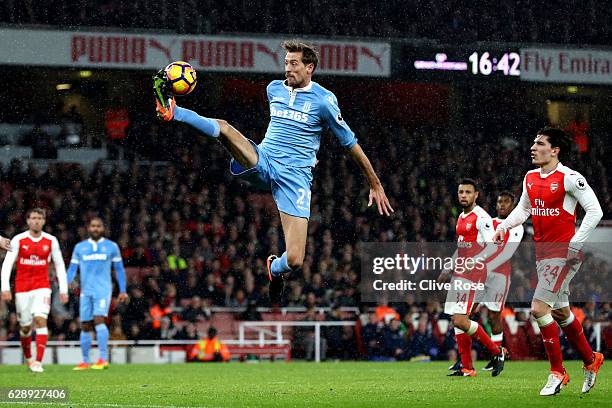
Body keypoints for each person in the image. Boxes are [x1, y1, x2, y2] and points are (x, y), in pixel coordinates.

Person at [153, 40, 393, 303]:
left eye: (293, 64)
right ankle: (175, 111)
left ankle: (274, 269)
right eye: (286, 63)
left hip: (295, 178)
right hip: (264, 160)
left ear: (309, 67)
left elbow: (350, 144)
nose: (287, 69)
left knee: (295, 259)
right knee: (224, 129)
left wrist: (375, 183)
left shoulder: (324, 101)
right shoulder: (274, 89)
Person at [493, 127, 604, 396]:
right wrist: (504, 226)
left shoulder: (569, 178)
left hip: (564, 254)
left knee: (538, 308)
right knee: (560, 312)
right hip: (543, 255)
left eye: (540, 143)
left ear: (554, 150)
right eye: (532, 143)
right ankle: (591, 360)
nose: (533, 147)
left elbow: (595, 210)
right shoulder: (530, 177)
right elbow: (523, 209)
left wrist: (576, 243)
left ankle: (557, 371)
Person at [443, 179, 507, 377]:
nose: (463, 195)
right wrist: (449, 266)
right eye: (461, 192)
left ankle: (497, 353)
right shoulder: (462, 217)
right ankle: (467, 367)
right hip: (460, 273)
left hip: (474, 274)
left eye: (468, 192)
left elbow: (494, 245)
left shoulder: (481, 217)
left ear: (476, 194)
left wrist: (476, 260)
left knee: (461, 320)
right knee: (457, 319)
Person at [1, 208, 68, 373]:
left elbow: (59, 265)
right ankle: (29, 358)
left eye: (39, 218)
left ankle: (38, 361)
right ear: (28, 221)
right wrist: (5, 287)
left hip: (42, 287)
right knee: (25, 327)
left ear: (44, 221)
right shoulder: (19, 240)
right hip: (22, 288)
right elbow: (8, 264)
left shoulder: (51, 240)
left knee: (40, 320)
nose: (36, 221)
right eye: (33, 218)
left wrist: (64, 289)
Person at [67, 218, 128, 370]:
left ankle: (103, 359)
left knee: (99, 320)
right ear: (89, 228)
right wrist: (66, 283)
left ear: (103, 228)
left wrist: (122, 290)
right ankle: (85, 361)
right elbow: (72, 268)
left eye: (98, 226)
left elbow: (119, 269)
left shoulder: (111, 246)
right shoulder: (80, 247)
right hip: (85, 291)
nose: (95, 228)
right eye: (93, 226)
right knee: (85, 325)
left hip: (102, 290)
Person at [479, 191, 524, 371]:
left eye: (506, 202)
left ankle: (497, 355)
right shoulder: (488, 223)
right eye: (500, 202)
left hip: (499, 277)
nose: (502, 205)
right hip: (480, 274)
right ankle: (466, 357)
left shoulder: (516, 226)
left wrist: (485, 268)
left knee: (493, 316)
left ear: (512, 206)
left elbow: (507, 253)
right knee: (466, 314)